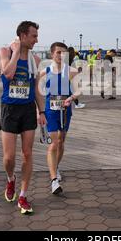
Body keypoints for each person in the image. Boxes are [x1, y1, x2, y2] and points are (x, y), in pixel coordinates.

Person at [0, 21, 46, 214]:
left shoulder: (35, 60)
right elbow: (8, 74)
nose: (37, 39)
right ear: (22, 36)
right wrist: (17, 52)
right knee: (9, 157)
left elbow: (36, 89)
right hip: (10, 108)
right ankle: (11, 180)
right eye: (34, 36)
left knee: (27, 154)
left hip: (27, 109)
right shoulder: (6, 52)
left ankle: (23, 195)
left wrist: (41, 111)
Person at [39, 42, 81, 194]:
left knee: (61, 141)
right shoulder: (45, 72)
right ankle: (53, 180)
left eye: (64, 53)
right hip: (51, 109)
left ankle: (55, 167)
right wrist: (40, 111)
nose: (61, 55)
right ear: (52, 54)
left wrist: (71, 97)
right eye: (58, 52)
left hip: (65, 109)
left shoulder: (72, 71)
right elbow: (39, 93)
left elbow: (78, 91)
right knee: (54, 142)